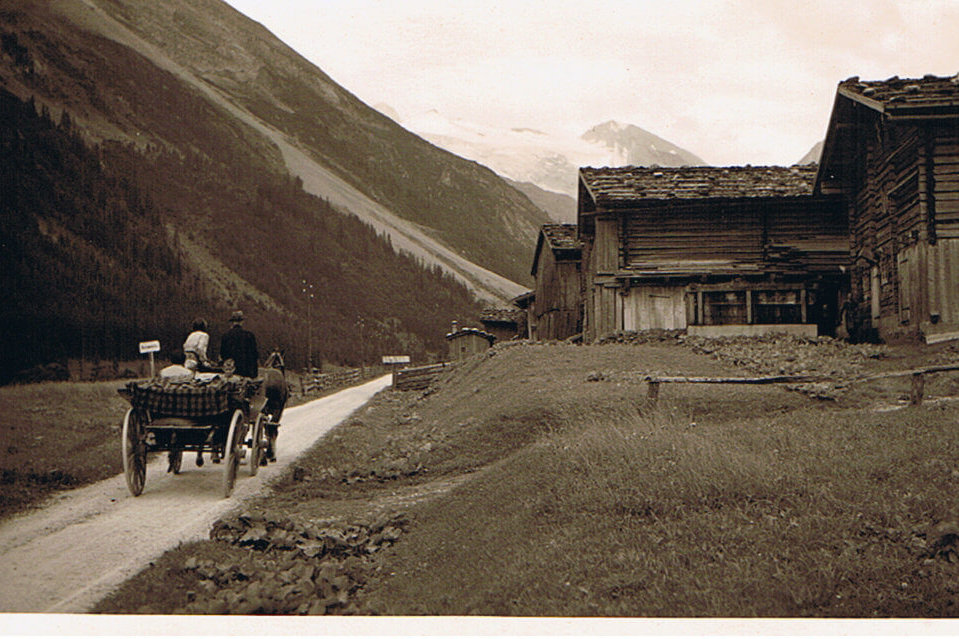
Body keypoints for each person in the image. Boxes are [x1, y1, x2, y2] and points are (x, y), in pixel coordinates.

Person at [219, 310, 259, 378]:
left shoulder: (225, 336)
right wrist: (254, 374)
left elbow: (223, 355)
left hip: (231, 372)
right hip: (246, 372)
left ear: (232, 322)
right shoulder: (249, 335)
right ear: (242, 322)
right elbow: (255, 355)